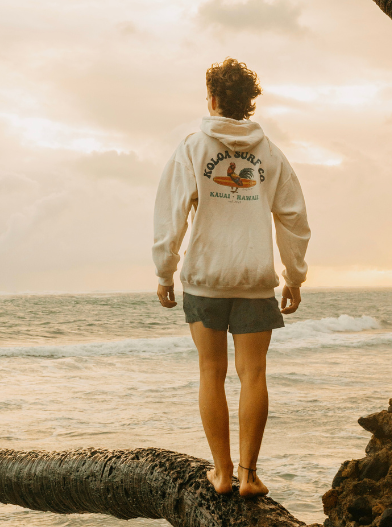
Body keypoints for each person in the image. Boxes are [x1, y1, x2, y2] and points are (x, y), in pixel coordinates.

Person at [150, 58, 309, 498]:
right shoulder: (271, 153)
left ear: (214, 99)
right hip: (255, 278)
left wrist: (165, 269)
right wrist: (293, 276)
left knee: (210, 371)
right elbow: (293, 218)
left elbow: (171, 213)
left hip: (205, 278)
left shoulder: (192, 148)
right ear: (249, 104)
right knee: (254, 373)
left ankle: (221, 474)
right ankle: (250, 475)